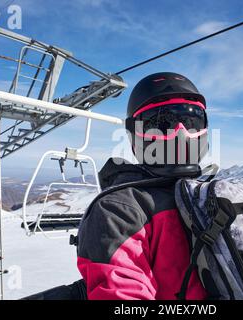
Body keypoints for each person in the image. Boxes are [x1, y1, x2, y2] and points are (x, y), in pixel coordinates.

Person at [76, 72, 209, 299]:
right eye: (161, 123)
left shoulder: (214, 195)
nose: (180, 133)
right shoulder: (120, 211)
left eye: (191, 120)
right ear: (134, 134)